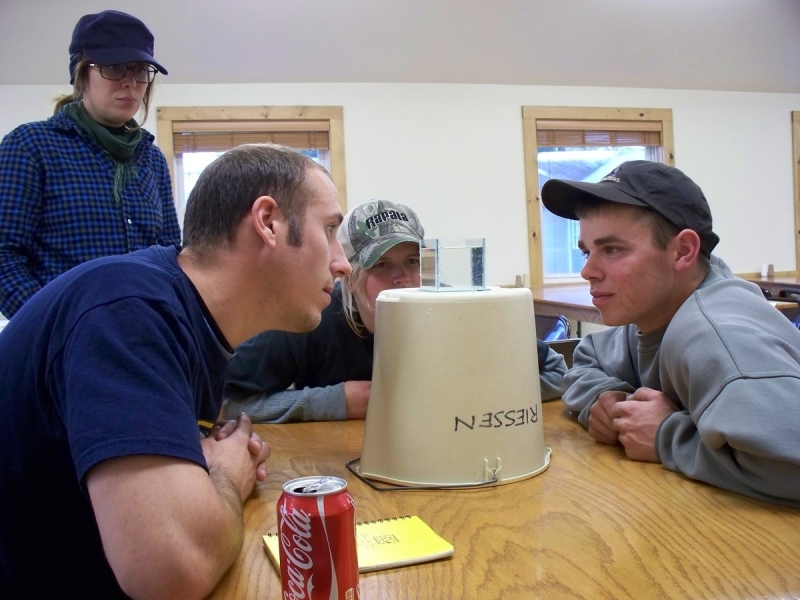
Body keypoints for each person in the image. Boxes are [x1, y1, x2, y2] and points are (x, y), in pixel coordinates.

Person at [0, 143, 351, 598]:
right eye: (329, 229)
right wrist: (228, 474)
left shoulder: (190, 320)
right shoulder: (128, 310)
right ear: (269, 223)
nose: (342, 262)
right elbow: (171, 571)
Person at [540, 160, 800, 507]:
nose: (588, 271)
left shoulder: (716, 336)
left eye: (612, 249)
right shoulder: (653, 315)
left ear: (682, 252)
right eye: (587, 252)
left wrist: (667, 436)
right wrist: (606, 400)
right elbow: (586, 361)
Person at [223, 199, 568, 423]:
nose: (403, 277)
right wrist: (331, 402)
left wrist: (465, 397)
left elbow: (556, 372)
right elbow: (226, 403)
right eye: (382, 264)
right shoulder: (313, 318)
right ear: (350, 275)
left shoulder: (460, 310)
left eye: (413, 261)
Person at [0, 10, 180, 318]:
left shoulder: (151, 158)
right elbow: (4, 257)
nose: (131, 84)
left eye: (140, 70)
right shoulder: (30, 146)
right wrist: (55, 328)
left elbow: (170, 258)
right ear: (81, 72)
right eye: (114, 68)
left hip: (145, 339)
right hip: (62, 347)